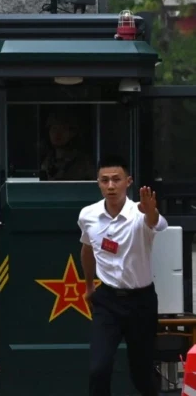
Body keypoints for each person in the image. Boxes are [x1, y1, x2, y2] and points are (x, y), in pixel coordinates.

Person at [79, 156, 167, 396]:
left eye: (116, 180)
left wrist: (151, 211)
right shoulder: (88, 215)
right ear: (98, 183)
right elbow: (87, 249)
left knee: (141, 373)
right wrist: (88, 286)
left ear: (128, 181)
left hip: (141, 301)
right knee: (98, 369)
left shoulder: (140, 212)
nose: (110, 186)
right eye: (104, 180)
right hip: (107, 300)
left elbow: (156, 223)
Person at [40, 111, 94, 181]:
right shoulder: (46, 162)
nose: (57, 133)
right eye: (54, 128)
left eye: (63, 129)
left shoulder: (84, 163)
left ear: (72, 133)